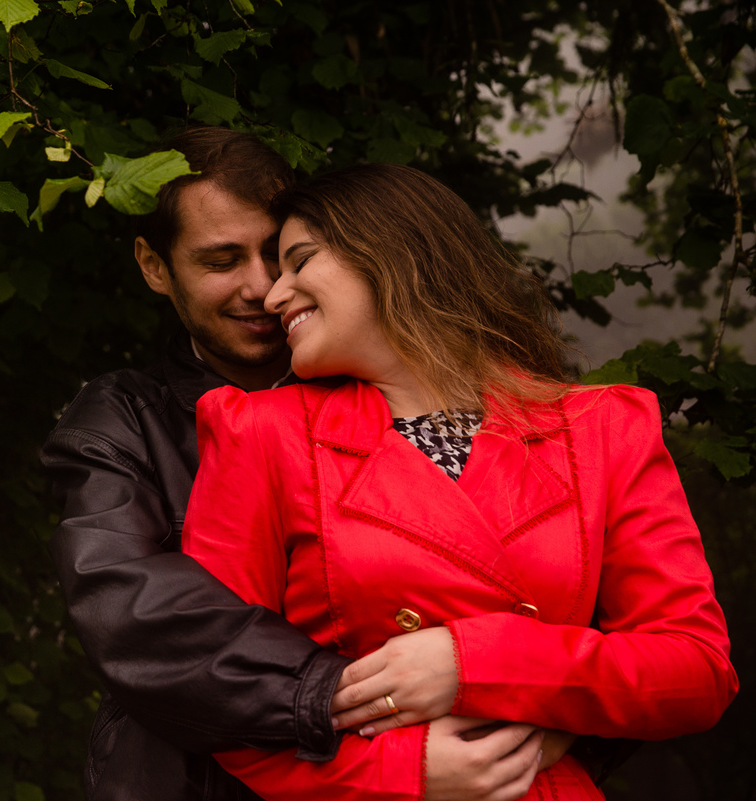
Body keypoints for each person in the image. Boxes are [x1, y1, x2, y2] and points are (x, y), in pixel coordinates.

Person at [43, 129, 574, 801]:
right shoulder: (122, 420)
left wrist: (540, 715)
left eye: (281, 253)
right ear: (154, 266)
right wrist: (357, 703)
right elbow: (134, 612)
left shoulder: (414, 395)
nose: (264, 287)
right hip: (192, 783)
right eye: (222, 260)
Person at [180, 163, 739, 801]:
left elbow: (695, 671)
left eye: (299, 261)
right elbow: (218, 681)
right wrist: (398, 771)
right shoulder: (259, 432)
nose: (274, 296)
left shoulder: (602, 428)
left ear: (392, 252)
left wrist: (474, 664)